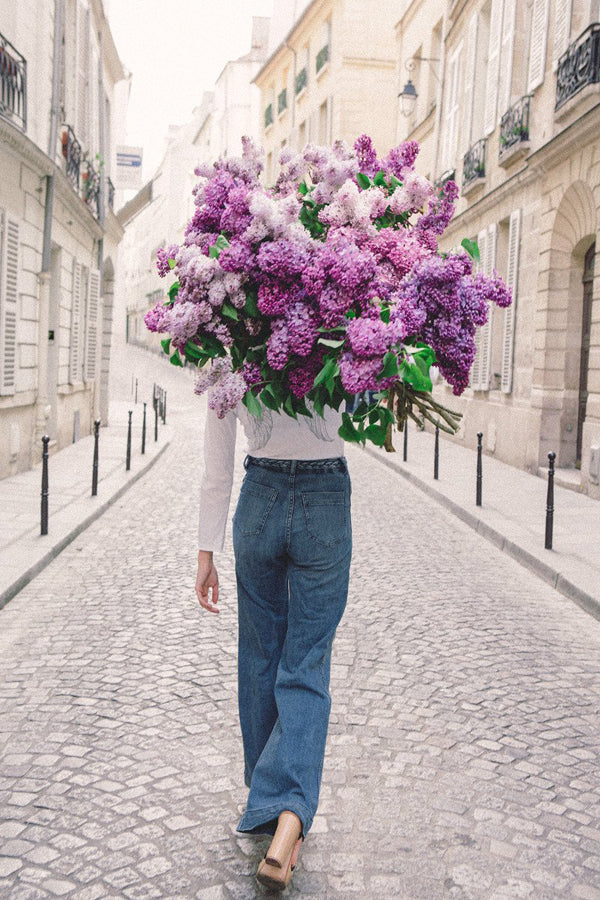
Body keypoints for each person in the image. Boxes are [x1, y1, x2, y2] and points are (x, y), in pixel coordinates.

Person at [195, 386, 352, 890]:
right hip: (325, 494)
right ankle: (289, 818)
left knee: (261, 656)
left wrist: (206, 551)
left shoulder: (224, 339)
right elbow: (367, 402)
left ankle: (270, 805)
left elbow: (217, 461)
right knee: (306, 661)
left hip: (259, 495)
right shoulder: (348, 316)